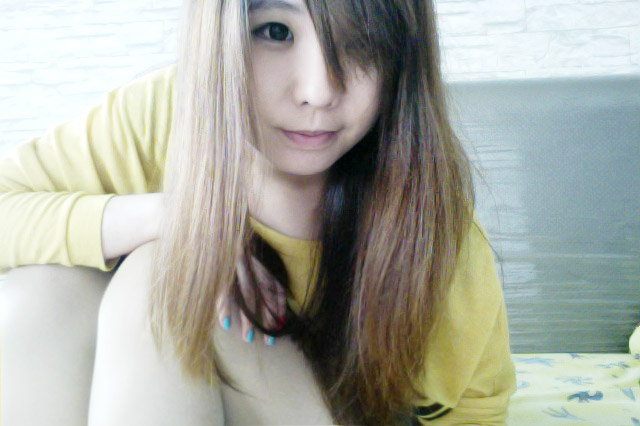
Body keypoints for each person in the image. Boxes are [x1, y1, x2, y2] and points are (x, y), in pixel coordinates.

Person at [0, 0, 517, 424]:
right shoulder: (167, 113)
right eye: (275, 31)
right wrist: (185, 222)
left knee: (162, 275)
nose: (317, 92)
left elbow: (476, 409)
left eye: (360, 42)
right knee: (44, 291)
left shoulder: (429, 223)